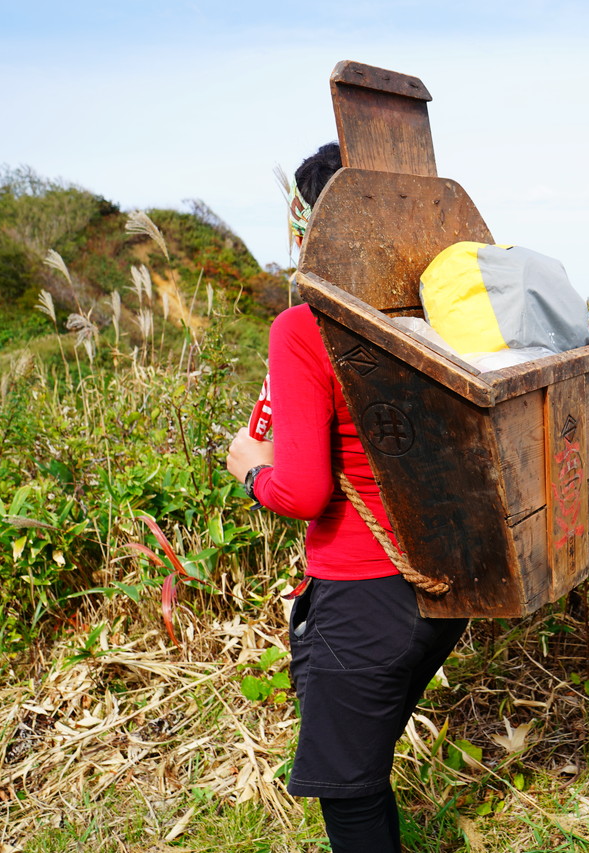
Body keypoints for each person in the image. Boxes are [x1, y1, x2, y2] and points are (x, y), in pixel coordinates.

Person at [226, 141, 467, 853]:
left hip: (365, 594)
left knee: (346, 784)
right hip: (446, 584)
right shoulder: (432, 311)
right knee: (363, 758)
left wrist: (249, 467)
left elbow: (302, 490)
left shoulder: (305, 327)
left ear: (313, 227)